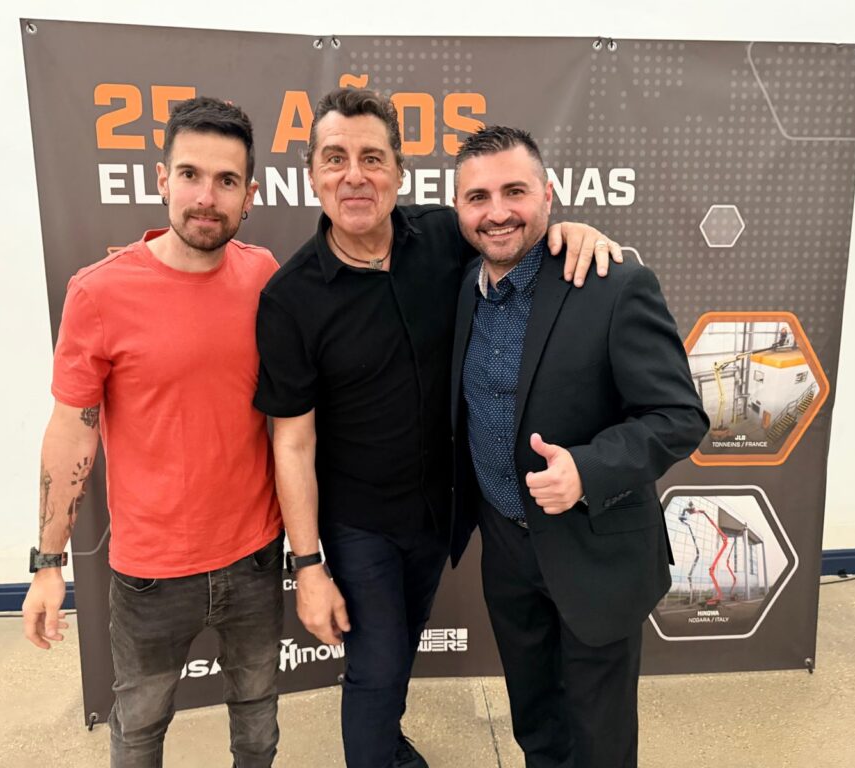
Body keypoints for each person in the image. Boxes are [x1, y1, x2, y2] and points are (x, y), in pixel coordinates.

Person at [252, 87, 621, 768]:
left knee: (396, 656)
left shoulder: (448, 237)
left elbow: (515, 233)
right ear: (312, 175)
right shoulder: (289, 298)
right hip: (359, 523)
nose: (354, 175)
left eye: (372, 158)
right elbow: (292, 442)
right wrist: (307, 566)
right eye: (335, 158)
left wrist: (575, 231)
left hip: (440, 514)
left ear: (399, 172)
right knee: (377, 669)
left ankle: (389, 747)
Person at [21, 97, 285, 768]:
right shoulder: (98, 293)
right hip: (150, 573)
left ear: (250, 195)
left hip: (256, 558)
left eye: (226, 180)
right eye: (190, 175)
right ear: (163, 180)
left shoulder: (264, 276)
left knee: (258, 726)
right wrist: (48, 564)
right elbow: (71, 432)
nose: (206, 197)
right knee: (138, 732)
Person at [449, 126, 709, 768]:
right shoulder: (462, 286)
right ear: (458, 208)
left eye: (515, 191)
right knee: (536, 722)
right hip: (507, 549)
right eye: (478, 197)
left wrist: (587, 470)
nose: (497, 212)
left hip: (595, 548)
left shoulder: (613, 283)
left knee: (600, 739)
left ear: (548, 195)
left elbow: (679, 416)